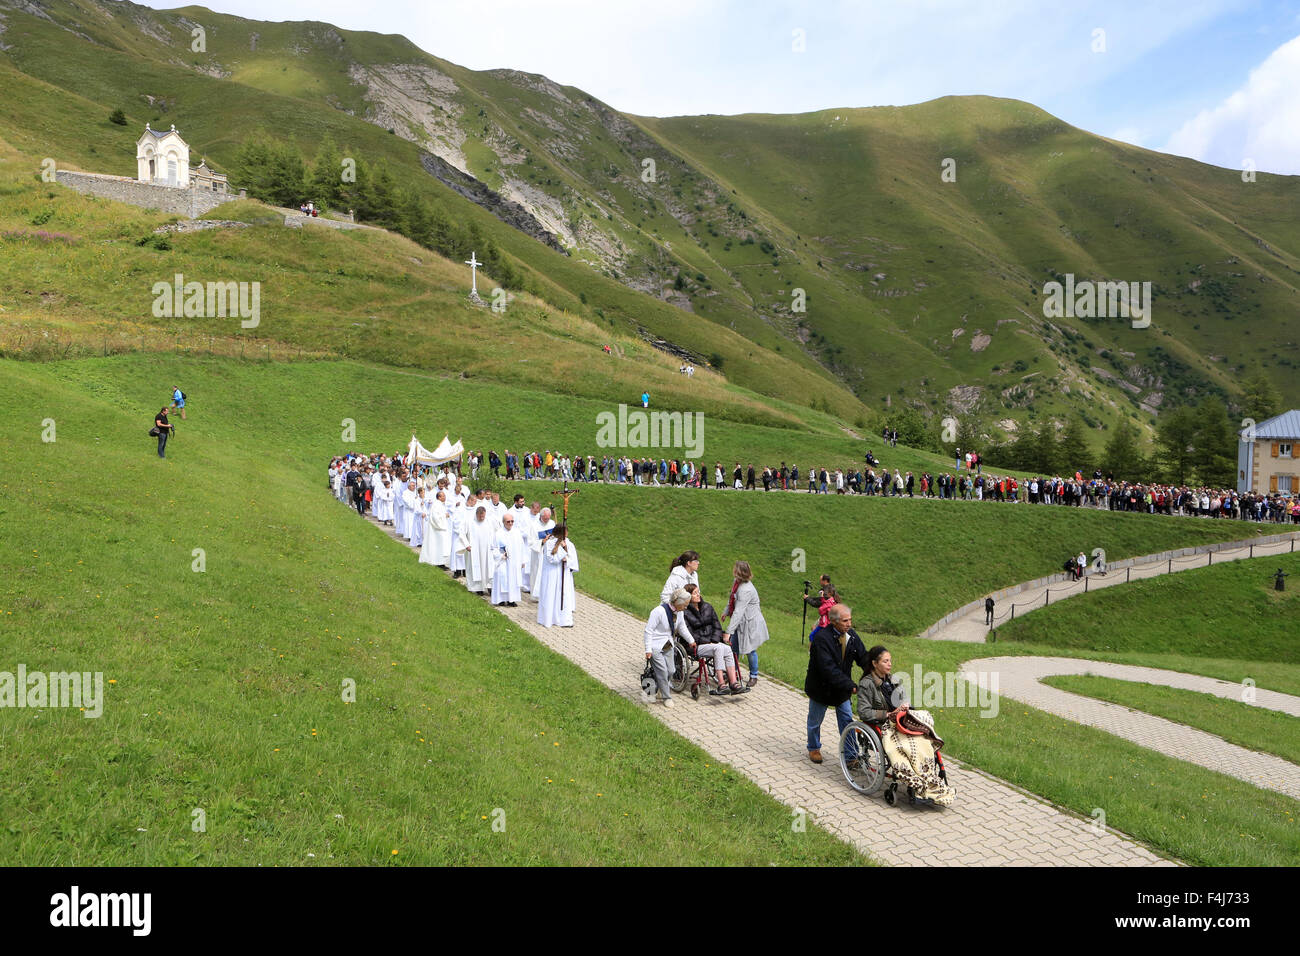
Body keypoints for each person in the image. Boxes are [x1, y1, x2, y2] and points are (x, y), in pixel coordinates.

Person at [804, 604, 870, 764]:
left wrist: (877, 669)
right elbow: (828, 669)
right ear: (833, 621)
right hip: (821, 688)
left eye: (850, 620)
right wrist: (851, 685)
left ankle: (851, 756)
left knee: (847, 720)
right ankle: (813, 747)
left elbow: (863, 658)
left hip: (841, 690)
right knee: (815, 721)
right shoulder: (821, 639)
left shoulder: (851, 636)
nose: (849, 624)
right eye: (845, 621)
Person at [683, 583, 745, 695]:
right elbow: (689, 633)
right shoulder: (684, 612)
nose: (698, 595)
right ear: (688, 596)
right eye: (694, 593)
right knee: (718, 649)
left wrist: (714, 639)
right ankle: (721, 684)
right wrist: (708, 641)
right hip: (697, 645)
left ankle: (733, 683)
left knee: (727, 649)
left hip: (712, 642)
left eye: (698, 592)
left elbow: (717, 626)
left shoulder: (708, 607)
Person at [642, 587, 696, 708]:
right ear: (678, 602)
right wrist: (648, 649)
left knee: (671, 670)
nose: (686, 607)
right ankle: (667, 697)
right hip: (655, 645)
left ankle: (660, 686)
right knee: (662, 671)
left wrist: (691, 640)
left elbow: (681, 627)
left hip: (667, 644)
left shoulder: (680, 612)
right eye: (685, 604)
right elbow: (648, 631)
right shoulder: (659, 611)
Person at [723, 560, 769, 687]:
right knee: (734, 649)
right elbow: (732, 598)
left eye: (735, 569)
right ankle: (733, 673)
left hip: (750, 623)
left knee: (750, 650)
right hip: (741, 622)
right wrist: (726, 611)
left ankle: (754, 676)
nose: (733, 571)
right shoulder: (737, 582)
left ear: (739, 572)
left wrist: (728, 632)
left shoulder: (746, 589)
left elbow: (738, 611)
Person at [537, 524, 578, 626]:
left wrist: (567, 559)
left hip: (563, 574)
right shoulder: (549, 544)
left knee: (563, 595)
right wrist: (562, 553)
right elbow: (551, 559)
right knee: (550, 594)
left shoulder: (569, 544)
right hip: (551, 573)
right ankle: (549, 618)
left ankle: (563, 619)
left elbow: (573, 560)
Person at [490, 512, 524, 606]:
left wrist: (522, 560)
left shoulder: (517, 532)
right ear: (503, 522)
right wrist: (501, 556)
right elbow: (493, 548)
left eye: (512, 521)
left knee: (513, 580)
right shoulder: (498, 534)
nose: (510, 523)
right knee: (502, 580)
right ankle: (501, 599)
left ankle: (511, 600)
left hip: (514, 562)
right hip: (503, 561)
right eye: (508, 521)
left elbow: (522, 547)